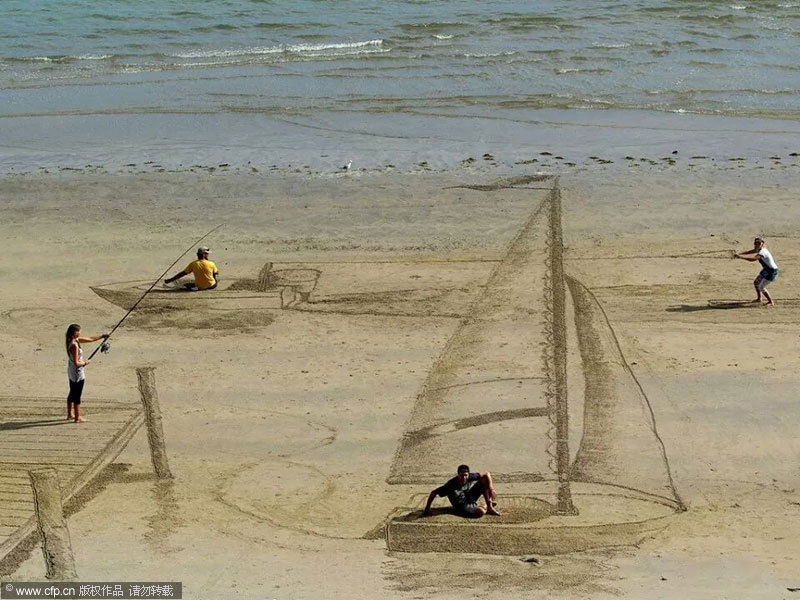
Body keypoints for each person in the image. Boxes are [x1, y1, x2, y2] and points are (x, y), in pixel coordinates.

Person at [65, 324, 109, 423]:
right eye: (79, 331)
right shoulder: (75, 345)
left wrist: (102, 336)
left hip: (71, 371)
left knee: (72, 392)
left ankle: (69, 414)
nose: (80, 333)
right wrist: (85, 363)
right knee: (77, 395)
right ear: (75, 332)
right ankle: (77, 417)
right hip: (77, 372)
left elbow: (90, 339)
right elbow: (77, 363)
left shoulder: (71, 340)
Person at [423, 464, 501, 517]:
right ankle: (485, 506)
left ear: (468, 474)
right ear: (458, 475)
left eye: (465, 475)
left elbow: (486, 473)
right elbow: (434, 492)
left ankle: (489, 507)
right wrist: (427, 508)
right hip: (461, 506)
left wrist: (491, 489)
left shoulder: (470, 476)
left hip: (469, 497)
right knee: (481, 512)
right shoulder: (450, 485)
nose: (464, 478)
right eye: (461, 476)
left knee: (484, 480)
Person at [734, 237, 779, 306]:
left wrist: (740, 257)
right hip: (766, 269)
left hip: (772, 271)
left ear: (762, 244)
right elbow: (751, 251)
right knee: (756, 282)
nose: (757, 245)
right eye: (755, 243)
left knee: (761, 287)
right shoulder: (759, 249)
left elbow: (754, 259)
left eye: (759, 243)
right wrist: (740, 254)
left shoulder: (763, 252)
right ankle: (759, 298)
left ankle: (770, 302)